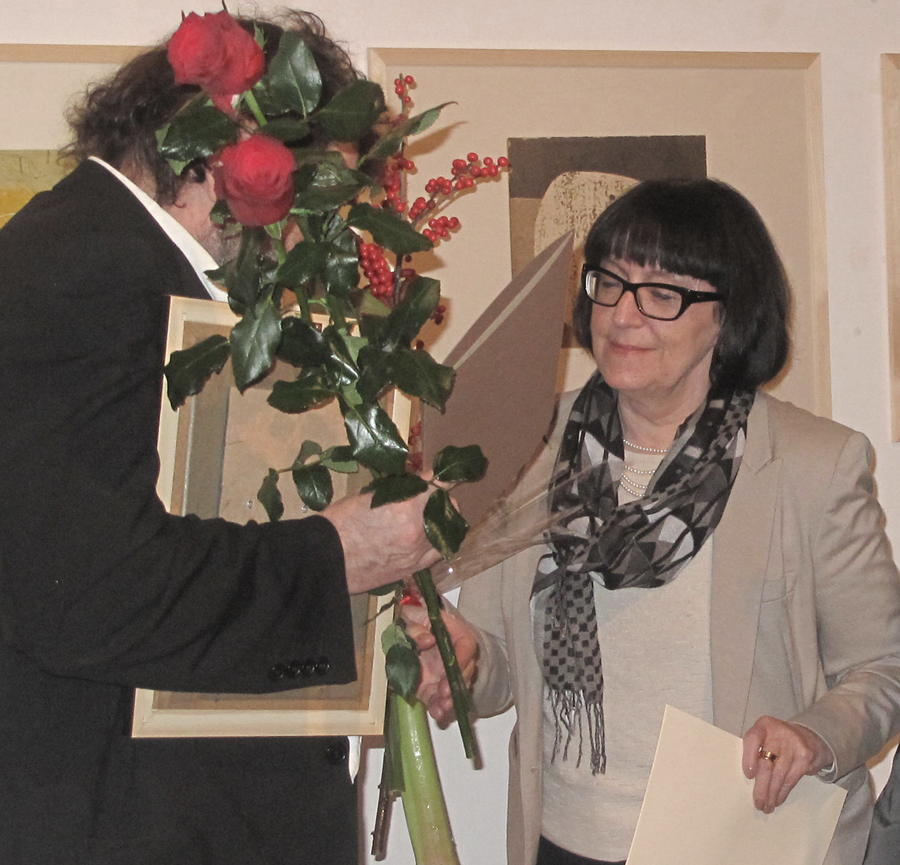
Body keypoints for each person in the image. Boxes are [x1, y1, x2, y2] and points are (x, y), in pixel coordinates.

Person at [0, 11, 440, 865]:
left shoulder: (134, 266)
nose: (317, 226)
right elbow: (86, 591)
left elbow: (190, 541)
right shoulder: (85, 268)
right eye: (317, 189)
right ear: (227, 149)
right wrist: (334, 558)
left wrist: (374, 615)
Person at [410, 178, 900, 865]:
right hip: (564, 841)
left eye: (662, 294)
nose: (621, 315)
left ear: (728, 315)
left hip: (737, 843)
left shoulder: (812, 465)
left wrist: (814, 735)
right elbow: (497, 666)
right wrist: (463, 660)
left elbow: (884, 667)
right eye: (609, 282)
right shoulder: (532, 446)